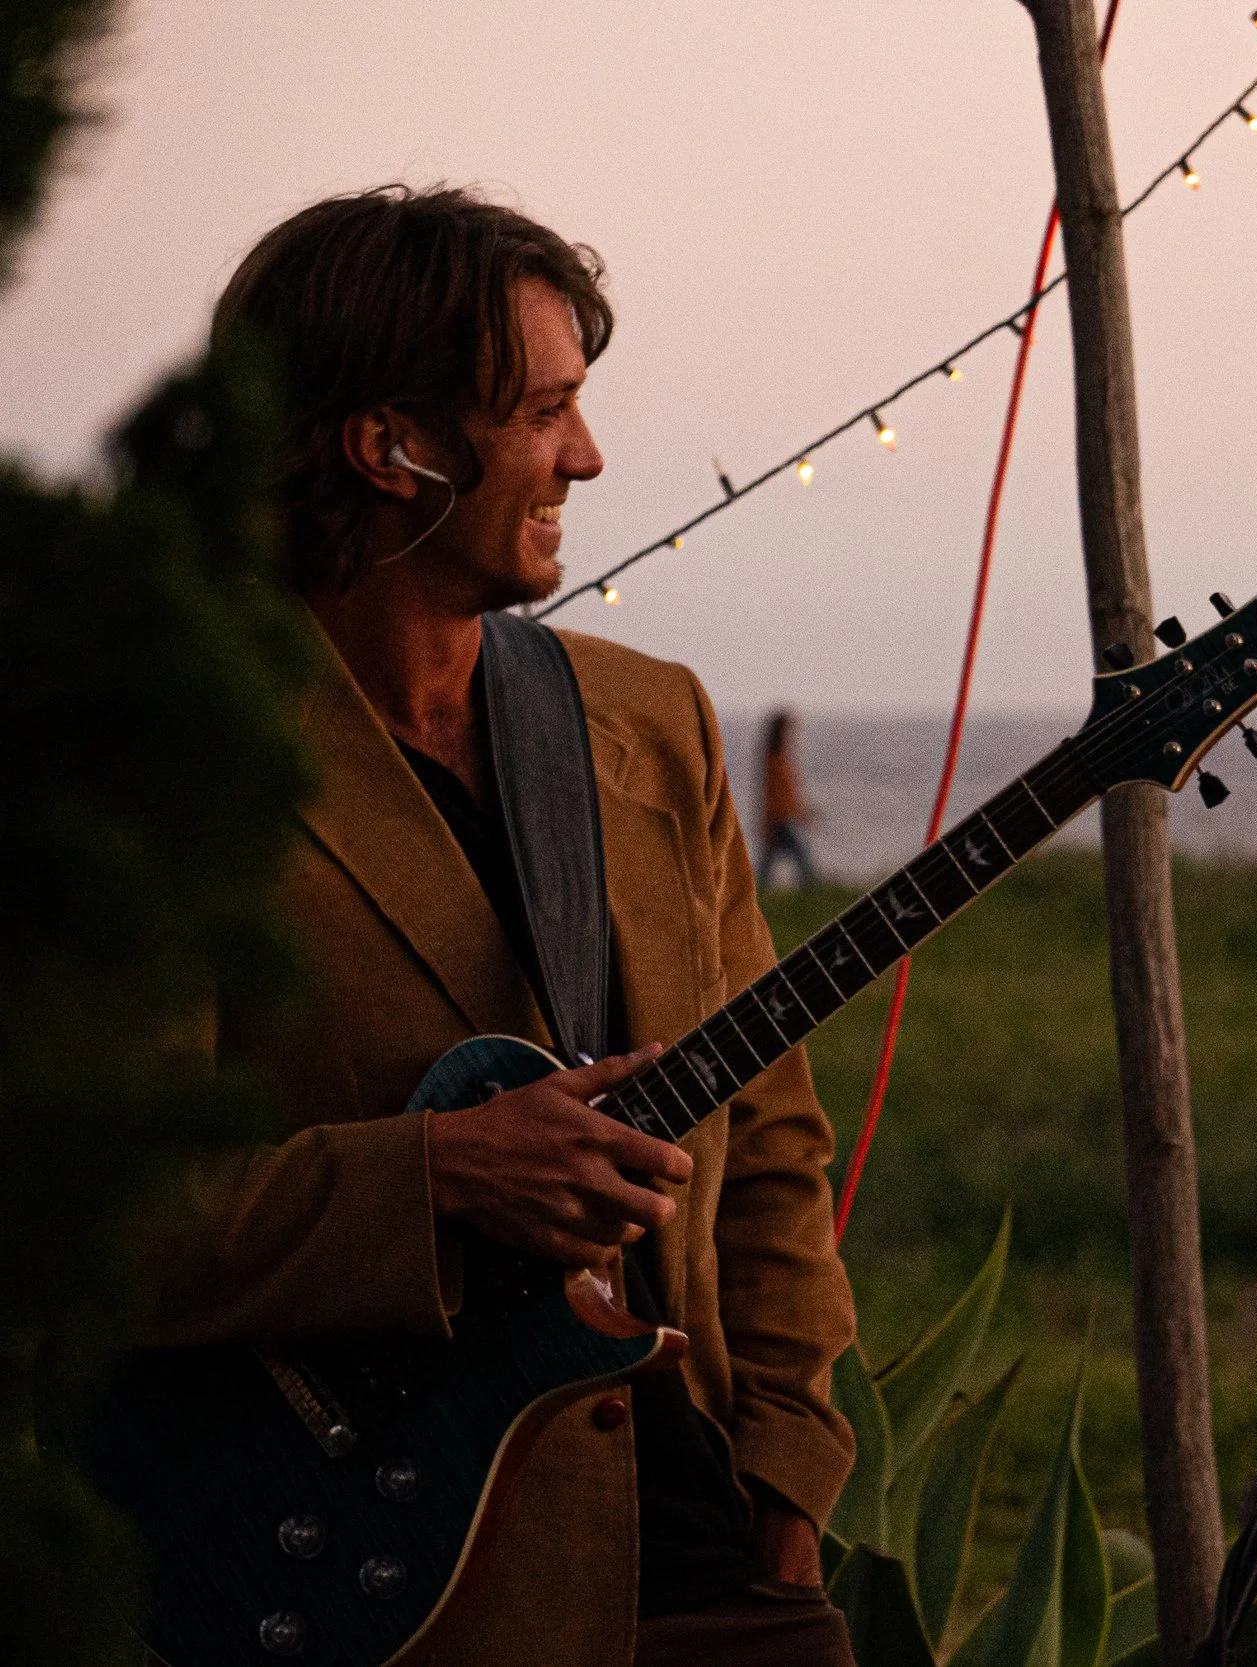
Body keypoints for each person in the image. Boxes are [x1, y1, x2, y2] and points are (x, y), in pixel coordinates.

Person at [150, 187, 858, 1667]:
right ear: (388, 446)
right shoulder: (165, 762)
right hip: (372, 1590)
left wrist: (789, 1468)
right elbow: (83, 1213)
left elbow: (773, 1136)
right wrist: (438, 1174)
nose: (587, 456)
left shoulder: (650, 721)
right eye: (545, 412)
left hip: (713, 1566)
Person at [758, 709, 818, 891]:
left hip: (783, 817)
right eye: (788, 729)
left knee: (768, 860)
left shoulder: (781, 758)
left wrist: (803, 811)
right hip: (779, 818)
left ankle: (758, 891)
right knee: (801, 856)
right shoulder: (774, 760)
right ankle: (812, 888)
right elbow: (775, 794)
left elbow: (790, 792)